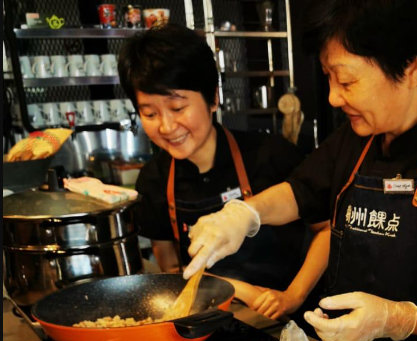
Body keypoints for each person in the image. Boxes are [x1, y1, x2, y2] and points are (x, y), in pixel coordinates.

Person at [183, 0, 417, 341]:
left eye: (347, 80)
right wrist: (245, 214)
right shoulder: (357, 137)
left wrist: (399, 319)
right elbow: (301, 191)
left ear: (412, 65)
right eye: (329, 78)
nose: (334, 97)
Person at [117, 24, 310, 303]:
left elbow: (325, 228)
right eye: (150, 113)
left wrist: (294, 295)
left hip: (290, 314)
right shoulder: (154, 179)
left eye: (178, 108)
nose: (167, 126)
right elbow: (171, 268)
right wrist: (238, 290)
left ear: (213, 97)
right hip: (210, 316)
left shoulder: (271, 154)